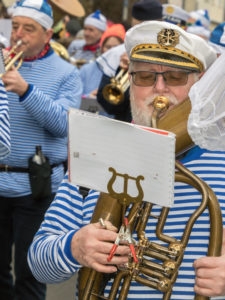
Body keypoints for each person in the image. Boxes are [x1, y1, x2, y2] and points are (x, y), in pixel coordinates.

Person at [27, 20, 225, 299]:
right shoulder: (95, 153)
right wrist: (74, 246)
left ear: (198, 84)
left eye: (175, 77)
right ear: (130, 81)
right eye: (144, 76)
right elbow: (38, 263)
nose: (159, 88)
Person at [0, 0, 82, 299]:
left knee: (29, 274)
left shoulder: (66, 72)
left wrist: (26, 91)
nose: (18, 34)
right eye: (15, 26)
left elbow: (65, 125)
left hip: (35, 186)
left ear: (47, 35)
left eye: (29, 29)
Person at [96, 0, 163, 122]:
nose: (140, 37)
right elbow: (108, 105)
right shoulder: (118, 53)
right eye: (135, 29)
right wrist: (123, 74)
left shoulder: (170, 54)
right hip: (124, 127)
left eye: (146, 31)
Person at [80, 23, 126, 99]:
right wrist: (88, 97)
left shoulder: (127, 72)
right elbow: (74, 96)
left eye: (116, 47)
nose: (112, 51)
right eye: (108, 47)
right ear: (102, 48)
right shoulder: (86, 70)